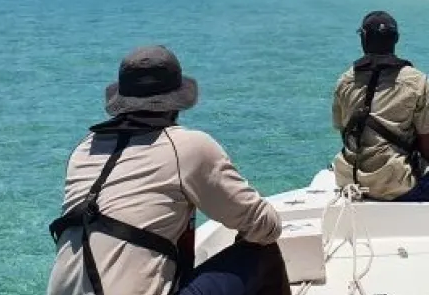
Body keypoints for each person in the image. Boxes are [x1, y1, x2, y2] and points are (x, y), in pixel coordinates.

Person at [46, 45, 292, 295]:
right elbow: (265, 225)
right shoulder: (186, 147)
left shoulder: (82, 150)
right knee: (262, 253)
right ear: (176, 101)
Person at [331, 10, 429, 202]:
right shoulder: (417, 81)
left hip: (349, 179)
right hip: (396, 184)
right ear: (396, 39)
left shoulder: (344, 81)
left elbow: (344, 131)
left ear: (363, 39)